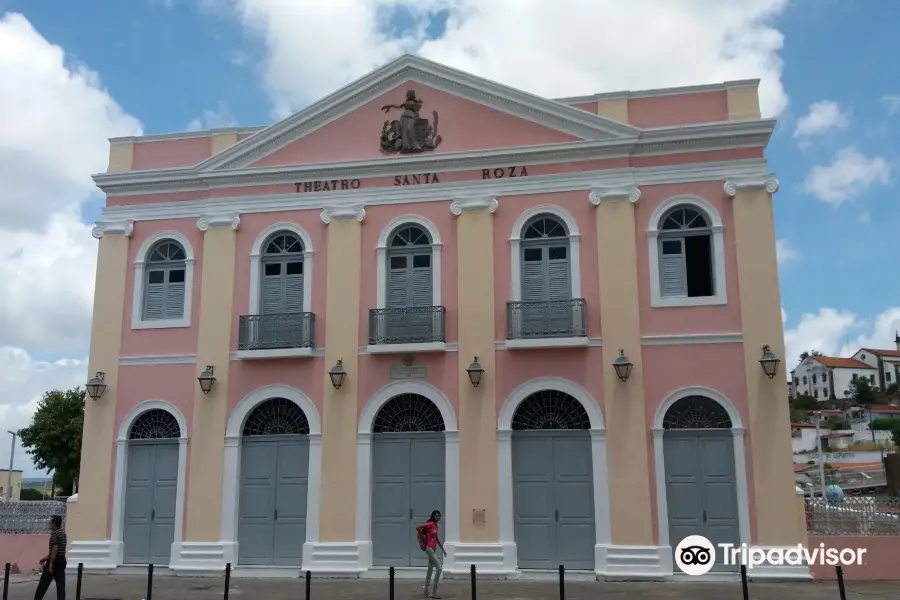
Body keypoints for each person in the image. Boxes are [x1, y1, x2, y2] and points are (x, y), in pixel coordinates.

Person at [35, 515, 67, 600]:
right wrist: (44, 559)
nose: (49, 524)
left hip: (55, 561)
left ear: (54, 523)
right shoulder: (63, 533)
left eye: (50, 522)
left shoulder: (54, 534)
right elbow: (58, 550)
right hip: (62, 560)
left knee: (43, 584)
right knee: (61, 585)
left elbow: (55, 550)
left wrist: (50, 564)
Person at [416, 510, 446, 599]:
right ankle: (433, 592)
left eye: (439, 516)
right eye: (436, 516)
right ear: (433, 516)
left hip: (434, 548)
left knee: (430, 570)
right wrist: (424, 539)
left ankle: (426, 591)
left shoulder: (436, 526)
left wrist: (442, 549)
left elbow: (436, 538)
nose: (438, 517)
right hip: (429, 548)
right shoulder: (430, 524)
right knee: (439, 569)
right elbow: (418, 528)